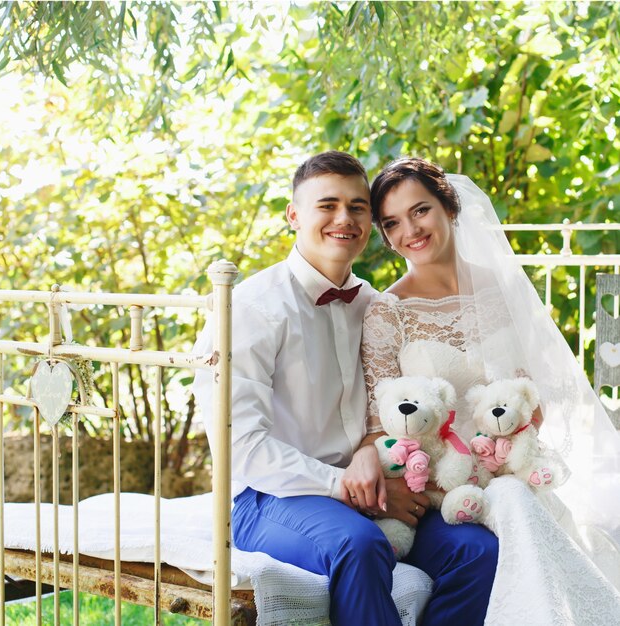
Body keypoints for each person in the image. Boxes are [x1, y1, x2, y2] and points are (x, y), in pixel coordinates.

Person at [193, 151, 497, 626]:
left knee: (476, 549)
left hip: (372, 488)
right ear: (293, 215)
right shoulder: (251, 308)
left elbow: (394, 412)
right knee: (359, 545)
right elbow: (241, 449)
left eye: (358, 207)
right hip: (271, 498)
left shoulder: (375, 305)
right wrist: (347, 488)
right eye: (327, 205)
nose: (345, 218)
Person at [360, 156, 620, 625]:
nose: (410, 231)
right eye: (392, 223)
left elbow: (530, 394)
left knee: (531, 506)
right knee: (511, 515)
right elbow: (382, 424)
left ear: (450, 207)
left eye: (420, 210)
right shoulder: (387, 312)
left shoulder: (502, 288)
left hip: (509, 467)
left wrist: (514, 444)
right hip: (442, 483)